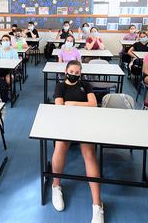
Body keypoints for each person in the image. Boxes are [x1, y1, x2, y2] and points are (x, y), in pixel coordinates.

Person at [51, 60, 104, 223]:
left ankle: (97, 204)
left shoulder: (85, 85)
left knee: (89, 153)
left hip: (85, 123)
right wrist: (81, 105)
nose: (73, 74)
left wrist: (72, 103)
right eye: (71, 71)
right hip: (65, 122)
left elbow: (94, 105)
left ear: (80, 73)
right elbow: (59, 106)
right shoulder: (60, 86)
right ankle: (56, 185)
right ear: (66, 71)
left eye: (77, 72)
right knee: (60, 146)